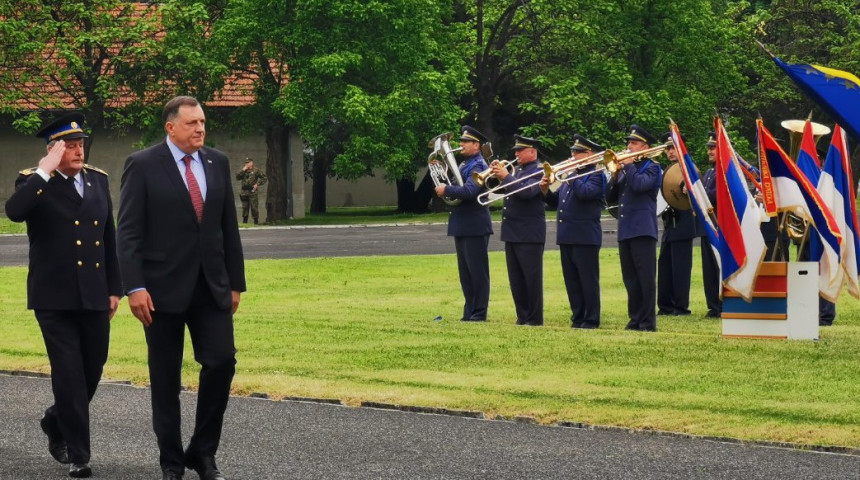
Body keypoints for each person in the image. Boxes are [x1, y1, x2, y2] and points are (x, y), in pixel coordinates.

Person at [117, 96, 246, 480]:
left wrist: (235, 283)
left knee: (222, 362)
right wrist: (134, 286)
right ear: (170, 127)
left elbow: (228, 229)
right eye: (192, 123)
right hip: (159, 292)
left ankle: (202, 453)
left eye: (203, 122)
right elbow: (128, 233)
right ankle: (171, 461)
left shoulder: (217, 162)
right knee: (165, 379)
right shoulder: (142, 165)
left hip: (212, 288)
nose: (201, 129)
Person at [5, 113, 121, 479]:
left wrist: (115, 288)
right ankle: (78, 453)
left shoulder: (98, 181)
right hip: (53, 297)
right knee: (69, 374)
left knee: (93, 367)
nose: (77, 151)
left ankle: (55, 420)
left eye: (80, 144)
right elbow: (14, 212)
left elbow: (109, 239)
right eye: (68, 146)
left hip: (94, 294)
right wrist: (44, 172)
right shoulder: (33, 181)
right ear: (53, 150)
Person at [541, 134, 605, 328]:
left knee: (587, 280)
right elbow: (556, 202)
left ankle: (591, 318)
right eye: (572, 152)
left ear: (589, 154)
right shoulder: (571, 176)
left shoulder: (596, 174)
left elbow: (586, 194)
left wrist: (570, 175)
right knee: (572, 281)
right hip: (567, 235)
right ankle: (578, 316)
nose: (573, 155)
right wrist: (545, 190)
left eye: (578, 152)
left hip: (585, 236)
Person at [606, 125, 661, 331]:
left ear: (645, 146)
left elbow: (640, 186)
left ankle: (647, 322)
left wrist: (628, 166)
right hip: (626, 229)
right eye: (628, 143)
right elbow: (609, 197)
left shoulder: (652, 167)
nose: (629, 146)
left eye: (633, 143)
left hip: (643, 229)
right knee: (630, 279)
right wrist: (614, 174)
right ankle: (635, 318)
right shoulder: (626, 170)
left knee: (645, 278)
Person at [434, 126, 493, 321]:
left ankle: (479, 313)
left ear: (476, 145)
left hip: (474, 225)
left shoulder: (478, 165)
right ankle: (469, 312)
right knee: (466, 274)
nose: (460, 145)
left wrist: (446, 189)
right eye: (460, 141)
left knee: (477, 273)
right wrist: (443, 172)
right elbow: (456, 185)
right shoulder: (464, 164)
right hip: (463, 224)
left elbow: (469, 192)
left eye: (464, 142)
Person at [492, 134, 546, 326]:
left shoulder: (539, 171)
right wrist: (495, 174)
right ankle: (522, 316)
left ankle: (534, 318)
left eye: (520, 150)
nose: (516, 153)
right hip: (512, 232)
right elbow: (495, 189)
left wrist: (506, 176)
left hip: (529, 232)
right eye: (515, 150)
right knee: (516, 280)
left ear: (532, 151)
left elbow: (527, 192)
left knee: (531, 279)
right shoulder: (518, 171)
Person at [656, 133, 700, 316]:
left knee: (681, 268)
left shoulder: (689, 169)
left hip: (683, 223)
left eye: (673, 148)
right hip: (669, 223)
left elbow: (696, 189)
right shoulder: (668, 169)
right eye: (667, 149)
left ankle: (680, 307)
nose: (670, 152)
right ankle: (665, 305)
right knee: (665, 266)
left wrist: (687, 187)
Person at [701, 132, 722, 318]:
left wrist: (700, 191)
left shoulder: (724, 171)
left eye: (713, 147)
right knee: (708, 267)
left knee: (718, 266)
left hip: (720, 225)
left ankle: (722, 303)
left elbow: (716, 196)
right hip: (708, 225)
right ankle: (712, 305)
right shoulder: (709, 172)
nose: (709, 151)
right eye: (708, 147)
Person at [235, 158, 267, 224]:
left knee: (254, 207)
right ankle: (245, 222)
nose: (246, 164)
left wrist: (257, 184)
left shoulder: (256, 170)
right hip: (244, 192)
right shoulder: (244, 171)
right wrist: (243, 170)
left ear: (251, 163)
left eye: (248, 163)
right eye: (246, 163)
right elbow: (237, 178)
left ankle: (256, 222)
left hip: (252, 191)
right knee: (245, 207)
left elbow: (264, 178)